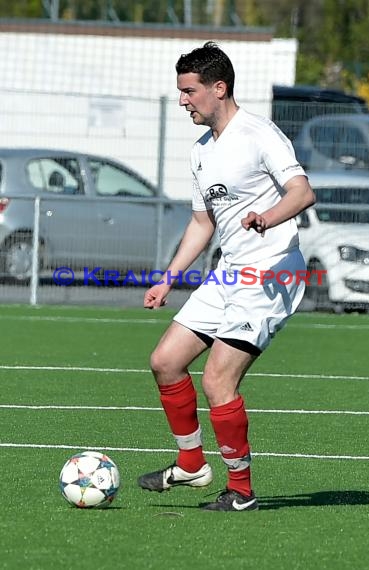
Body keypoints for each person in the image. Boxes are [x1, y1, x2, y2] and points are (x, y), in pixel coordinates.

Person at [137, 41, 315, 511]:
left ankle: (241, 491)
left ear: (219, 88)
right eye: (180, 91)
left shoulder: (259, 133)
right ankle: (192, 464)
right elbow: (203, 224)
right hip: (229, 274)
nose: (182, 101)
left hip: (271, 272)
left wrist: (269, 216)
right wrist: (168, 278)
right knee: (166, 360)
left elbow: (302, 192)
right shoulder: (200, 152)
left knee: (217, 380)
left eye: (189, 91)